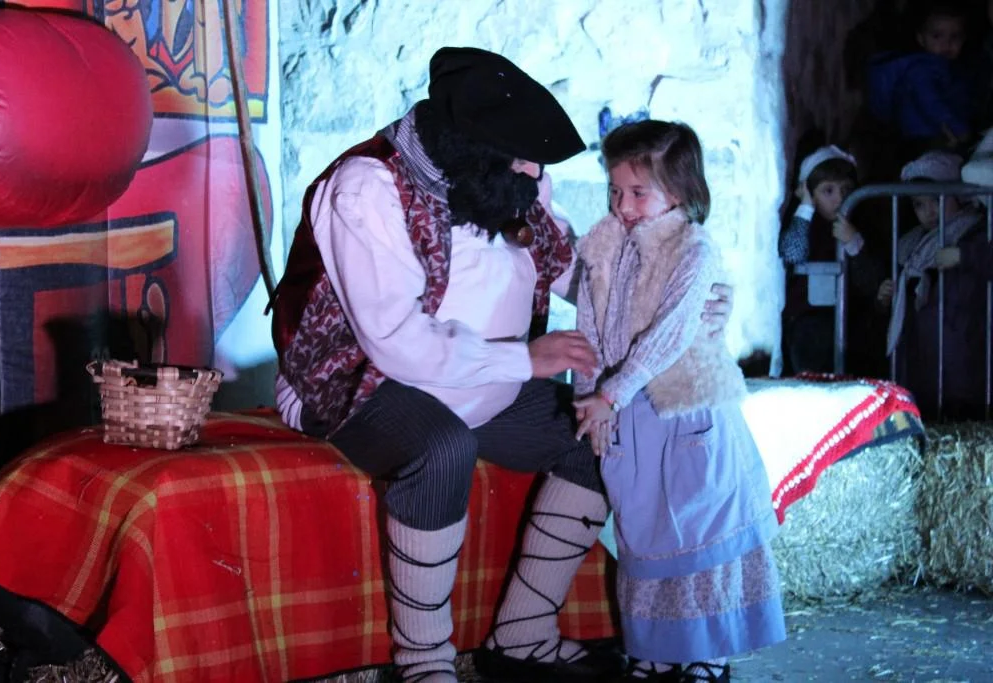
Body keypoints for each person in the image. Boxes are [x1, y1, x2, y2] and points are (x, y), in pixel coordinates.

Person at [269, 47, 734, 683]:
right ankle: (425, 663)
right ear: (469, 147)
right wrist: (525, 357)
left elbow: (585, 276)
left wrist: (681, 297)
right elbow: (394, 341)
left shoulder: (508, 181)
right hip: (363, 380)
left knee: (602, 435)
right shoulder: (367, 187)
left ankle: (522, 635)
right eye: (523, 158)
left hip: (487, 381)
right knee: (442, 447)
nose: (534, 173)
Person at [572, 121, 785, 683]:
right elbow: (587, 330)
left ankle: (706, 651)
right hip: (629, 418)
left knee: (698, 532)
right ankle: (653, 649)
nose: (623, 205)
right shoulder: (601, 247)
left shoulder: (693, 250)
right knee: (644, 537)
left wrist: (612, 392)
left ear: (679, 192)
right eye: (615, 191)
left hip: (683, 411)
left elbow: (672, 330)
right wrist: (589, 396)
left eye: (638, 192)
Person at [877, 150, 989, 419]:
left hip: (965, 346)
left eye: (936, 201)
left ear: (958, 196)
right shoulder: (911, 246)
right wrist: (887, 296)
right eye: (919, 204)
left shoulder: (977, 230)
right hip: (923, 351)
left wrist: (963, 255)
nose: (928, 212)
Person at [779, 145, 883, 375]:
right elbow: (792, 253)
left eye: (846, 190)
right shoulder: (805, 221)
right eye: (828, 191)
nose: (840, 198)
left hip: (850, 321)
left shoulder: (862, 225)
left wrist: (854, 242)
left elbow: (871, 283)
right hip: (808, 323)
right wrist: (806, 206)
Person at [867, 0, 977, 162]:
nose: (946, 44)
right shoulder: (920, 69)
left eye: (955, 37)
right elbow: (931, 102)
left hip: (938, 133)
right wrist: (958, 128)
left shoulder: (951, 67)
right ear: (921, 39)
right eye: (937, 36)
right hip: (923, 138)